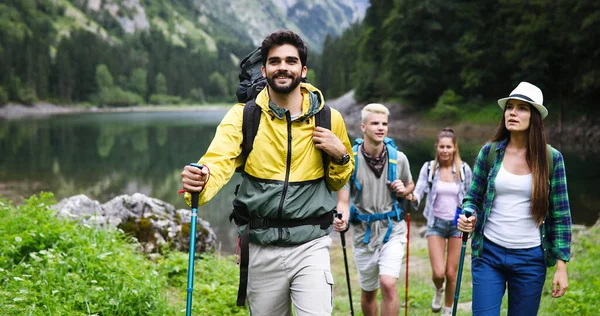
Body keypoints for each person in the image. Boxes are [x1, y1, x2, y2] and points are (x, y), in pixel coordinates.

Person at [181, 30, 354, 316]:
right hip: (261, 248)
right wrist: (199, 182)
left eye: (290, 60)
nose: (282, 67)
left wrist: (342, 154)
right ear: (264, 69)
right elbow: (218, 162)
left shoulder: (328, 118)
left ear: (303, 69)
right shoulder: (244, 116)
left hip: (311, 245)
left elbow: (338, 179)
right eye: (274, 61)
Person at [457, 82, 572, 315]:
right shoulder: (489, 153)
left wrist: (561, 266)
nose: (513, 112)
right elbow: (472, 198)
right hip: (489, 254)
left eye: (522, 108)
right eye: (510, 107)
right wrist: (468, 215)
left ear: (535, 117)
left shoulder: (551, 159)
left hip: (530, 259)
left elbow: (561, 215)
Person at [334, 103, 414, 316]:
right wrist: (341, 218)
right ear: (363, 127)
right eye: (375, 123)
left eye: (384, 124)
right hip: (363, 235)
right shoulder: (350, 161)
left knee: (388, 283)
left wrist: (402, 190)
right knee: (369, 292)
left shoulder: (399, 158)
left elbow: (410, 186)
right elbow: (343, 201)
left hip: (392, 231)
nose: (381, 128)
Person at [411, 127, 472, 316]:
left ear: (455, 148)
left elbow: (471, 196)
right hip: (435, 224)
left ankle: (447, 311)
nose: (445, 150)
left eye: (448, 147)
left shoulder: (464, 170)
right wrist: (412, 196)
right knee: (439, 273)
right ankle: (438, 290)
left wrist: (471, 217)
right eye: (441, 147)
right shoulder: (429, 168)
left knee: (451, 274)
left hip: (457, 226)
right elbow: (419, 190)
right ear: (436, 147)